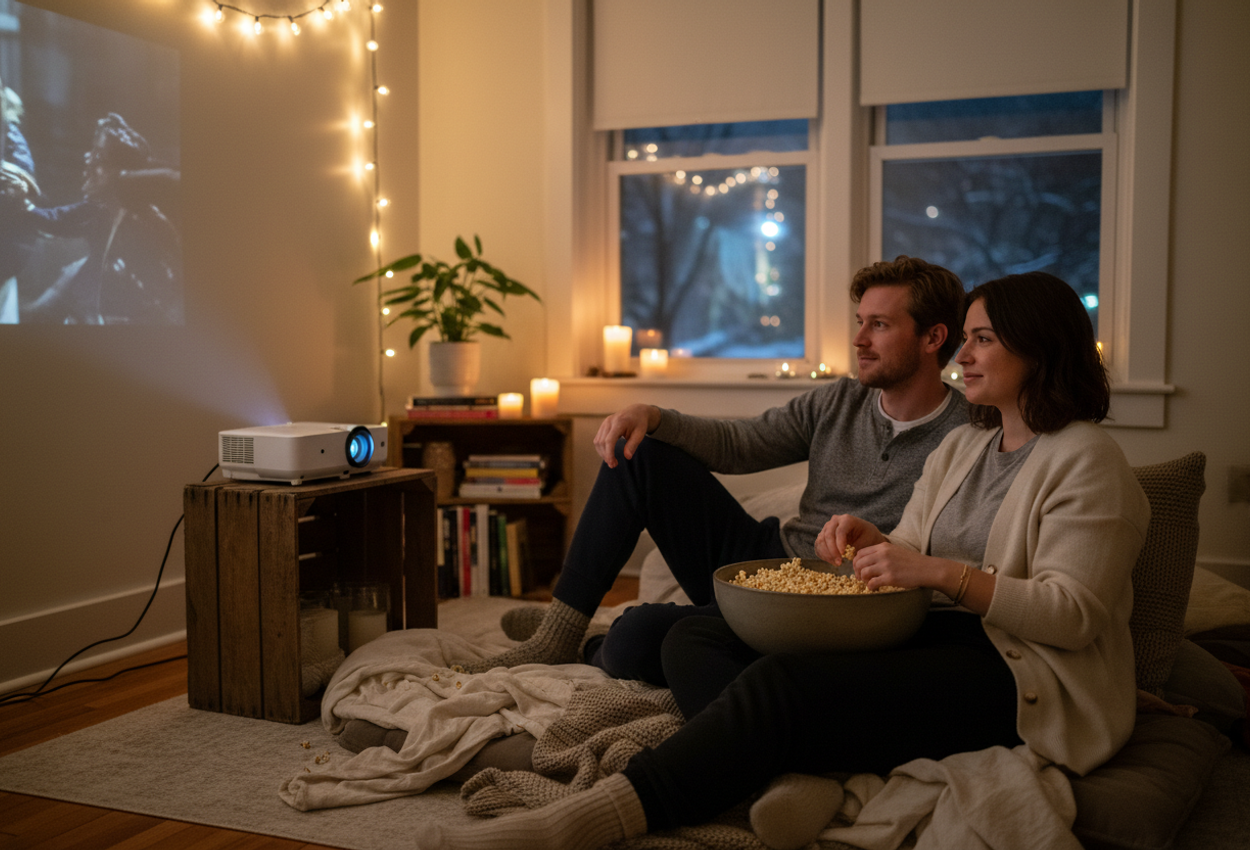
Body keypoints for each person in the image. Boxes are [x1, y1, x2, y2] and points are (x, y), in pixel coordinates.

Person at [416, 271, 1151, 850]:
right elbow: (911, 546)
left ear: (1039, 349)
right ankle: (782, 766)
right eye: (968, 339)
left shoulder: (1088, 460)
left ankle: (582, 823)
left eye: (982, 340)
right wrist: (874, 541)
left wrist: (935, 573)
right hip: (923, 625)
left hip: (1014, 668)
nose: (965, 356)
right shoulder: (969, 446)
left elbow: (1074, 613)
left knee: (783, 681)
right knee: (693, 634)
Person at [463, 255, 971, 678]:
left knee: (638, 640)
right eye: (859, 322)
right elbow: (741, 443)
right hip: (767, 562)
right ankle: (562, 630)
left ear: (932, 339)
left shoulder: (972, 433)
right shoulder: (839, 400)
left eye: (879, 325)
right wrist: (654, 416)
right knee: (640, 452)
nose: (859, 339)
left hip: (837, 610)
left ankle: (601, 638)